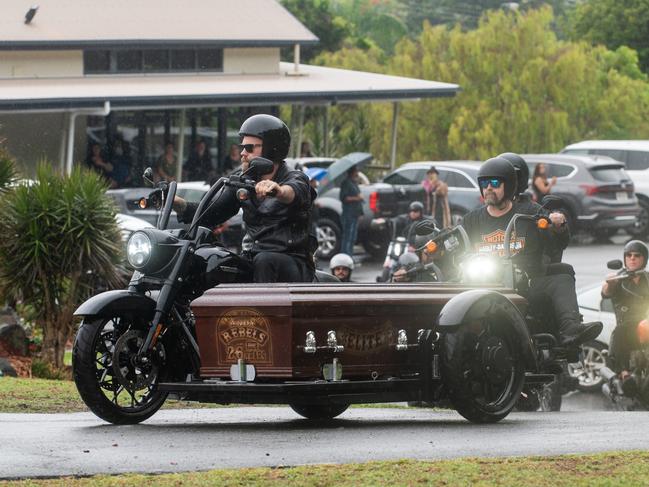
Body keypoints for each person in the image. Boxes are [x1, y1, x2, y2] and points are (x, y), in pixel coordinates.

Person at [461, 156, 602, 348]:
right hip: (482, 284)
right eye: (484, 183)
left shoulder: (531, 213)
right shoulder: (471, 220)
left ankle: (570, 328)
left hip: (526, 285)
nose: (489, 188)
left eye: (495, 183)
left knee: (563, 273)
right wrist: (432, 249)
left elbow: (557, 242)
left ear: (509, 185)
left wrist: (557, 225)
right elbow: (455, 246)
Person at [173, 114, 317, 283]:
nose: (242, 153)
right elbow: (213, 212)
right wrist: (178, 203)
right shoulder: (242, 179)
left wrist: (277, 190)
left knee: (265, 260)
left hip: (292, 260)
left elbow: (293, 192)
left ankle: (261, 310)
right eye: (242, 147)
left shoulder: (294, 177)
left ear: (272, 148)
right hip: (252, 256)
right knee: (218, 262)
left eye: (249, 148)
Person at [601, 240, 649, 377]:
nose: (632, 258)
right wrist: (610, 283)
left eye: (637, 255)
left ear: (644, 258)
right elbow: (605, 293)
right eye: (629, 255)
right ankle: (624, 374)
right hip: (627, 326)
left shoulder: (647, 278)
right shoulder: (618, 278)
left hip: (646, 324)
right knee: (621, 331)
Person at [339, 166, 364, 256]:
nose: (357, 173)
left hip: (355, 214)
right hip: (348, 214)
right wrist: (357, 198)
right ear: (352, 172)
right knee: (347, 237)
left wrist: (361, 213)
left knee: (353, 237)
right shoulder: (346, 183)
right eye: (356, 171)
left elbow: (360, 199)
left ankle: (350, 255)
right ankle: (345, 255)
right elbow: (344, 198)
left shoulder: (354, 183)